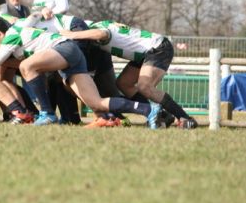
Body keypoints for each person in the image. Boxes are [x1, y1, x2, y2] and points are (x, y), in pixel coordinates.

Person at [0, 16, 163, 128]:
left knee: (27, 67)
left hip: (65, 48)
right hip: (73, 53)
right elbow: (32, 18)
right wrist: (40, 12)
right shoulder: (18, 29)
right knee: (96, 102)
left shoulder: (10, 37)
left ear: (0, 34)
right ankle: (149, 110)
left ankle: (47, 113)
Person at [59, 20, 198, 129]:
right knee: (123, 84)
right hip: (144, 53)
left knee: (145, 87)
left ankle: (185, 118)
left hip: (157, 48)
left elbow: (102, 34)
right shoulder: (98, 26)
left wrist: (72, 35)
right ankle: (162, 115)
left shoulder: (96, 30)